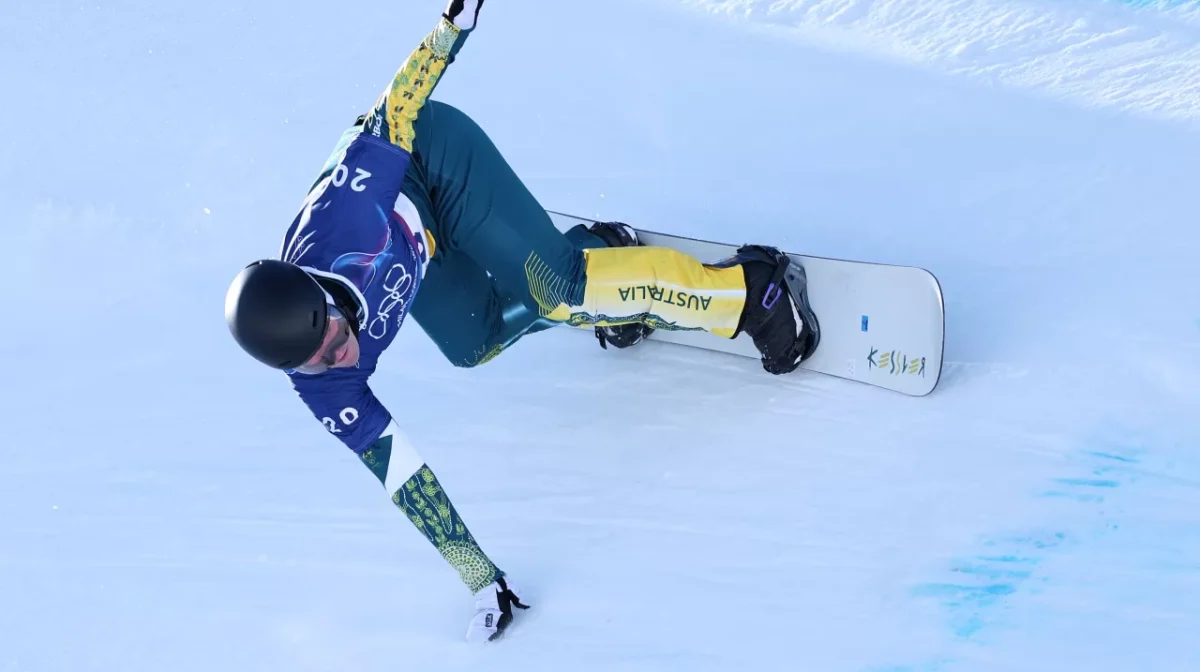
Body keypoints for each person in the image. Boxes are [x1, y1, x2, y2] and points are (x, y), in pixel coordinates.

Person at [223, 0, 820, 643]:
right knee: (472, 341)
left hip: (432, 161)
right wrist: (481, 577)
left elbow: (396, 104)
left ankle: (749, 291)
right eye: (317, 360)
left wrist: (453, 26)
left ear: (325, 295)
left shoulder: (353, 213)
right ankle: (601, 256)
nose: (341, 357)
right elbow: (401, 474)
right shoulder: (320, 385)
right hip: (422, 247)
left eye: (337, 335)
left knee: (557, 290)